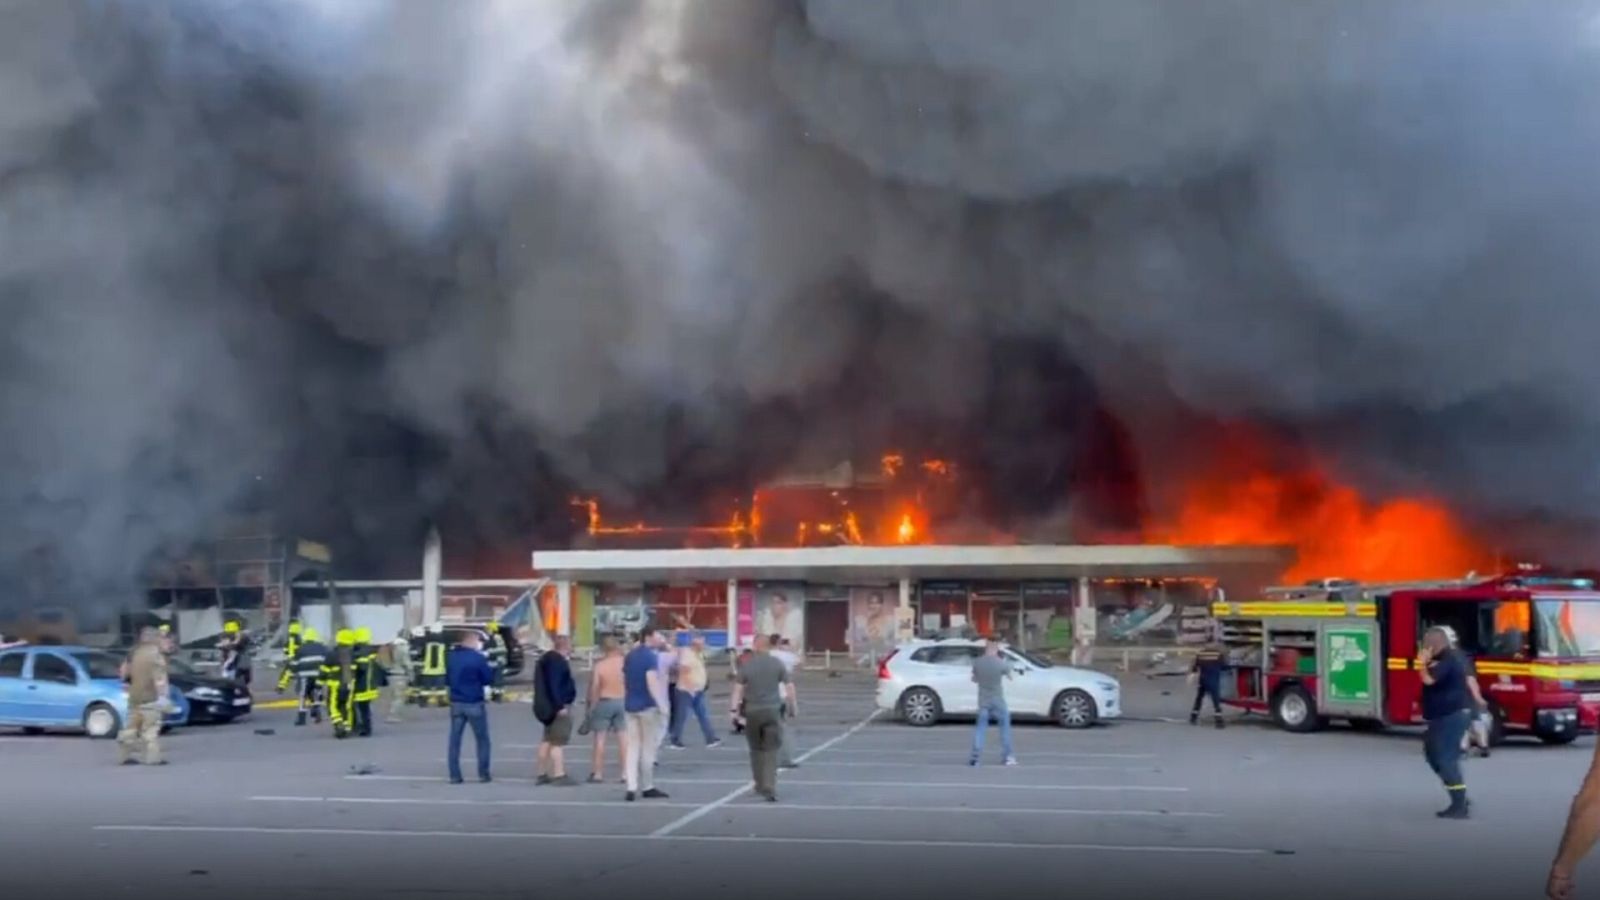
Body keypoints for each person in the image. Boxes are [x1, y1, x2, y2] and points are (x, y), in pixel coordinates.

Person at [730, 633, 796, 802]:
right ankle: (770, 786)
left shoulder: (747, 665)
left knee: (756, 750)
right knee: (771, 750)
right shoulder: (777, 664)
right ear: (768, 646)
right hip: (773, 711)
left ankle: (759, 784)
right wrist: (793, 707)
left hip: (752, 712)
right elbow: (789, 687)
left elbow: (738, 689)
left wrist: (734, 711)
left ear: (755, 646)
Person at [1418, 625, 1472, 819]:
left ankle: (1459, 804)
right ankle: (1458, 795)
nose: (1424, 646)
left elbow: (1428, 681)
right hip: (1441, 715)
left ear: (1435, 643)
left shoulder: (1450, 658)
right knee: (1432, 753)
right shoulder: (1444, 658)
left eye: (1427, 643)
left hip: (1451, 715)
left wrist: (1422, 664)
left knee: (1445, 759)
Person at [622, 627, 670, 801]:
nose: (660, 638)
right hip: (647, 706)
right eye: (657, 635)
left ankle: (631, 786)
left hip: (630, 705)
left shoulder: (630, 656)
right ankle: (648, 785)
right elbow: (652, 682)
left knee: (632, 747)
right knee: (648, 748)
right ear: (648, 637)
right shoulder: (650, 657)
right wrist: (662, 705)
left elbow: (625, 679)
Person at [445, 629, 495, 784]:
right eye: (477, 640)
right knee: (482, 740)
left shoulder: (451, 658)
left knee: (455, 740)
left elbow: (447, 678)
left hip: (456, 702)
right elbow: (487, 678)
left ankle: (454, 775)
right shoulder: (478, 658)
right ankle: (483, 773)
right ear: (470, 641)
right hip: (474, 702)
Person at [117, 627, 171, 766]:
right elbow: (160, 678)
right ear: (155, 638)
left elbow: (123, 673)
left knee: (130, 728)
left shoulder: (133, 652)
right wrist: (163, 697)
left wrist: (128, 684)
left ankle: (124, 756)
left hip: (134, 697)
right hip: (150, 697)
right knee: (150, 729)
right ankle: (152, 758)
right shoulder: (156, 655)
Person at [532, 635, 577, 785]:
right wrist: (560, 706)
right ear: (565, 646)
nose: (572, 647)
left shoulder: (546, 660)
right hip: (557, 707)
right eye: (571, 644)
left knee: (547, 740)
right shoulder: (558, 662)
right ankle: (559, 774)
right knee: (557, 741)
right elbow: (555, 685)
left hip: (546, 707)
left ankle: (541, 772)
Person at [585, 636, 629, 784]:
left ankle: (598, 773)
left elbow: (595, 688)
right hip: (623, 701)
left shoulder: (600, 666)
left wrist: (591, 707)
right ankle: (625, 773)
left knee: (600, 739)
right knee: (623, 739)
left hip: (605, 700)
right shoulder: (625, 663)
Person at [969, 638, 1016, 766]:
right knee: (1004, 728)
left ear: (986, 649)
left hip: (983, 700)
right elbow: (1010, 677)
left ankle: (975, 757)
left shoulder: (977, 663)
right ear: (995, 650)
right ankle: (1008, 756)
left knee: (981, 729)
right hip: (998, 700)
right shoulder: (1000, 663)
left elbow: (974, 679)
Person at [669, 635, 720, 748]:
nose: (704, 646)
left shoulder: (698, 654)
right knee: (682, 716)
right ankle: (675, 739)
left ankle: (710, 738)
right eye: (702, 644)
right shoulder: (687, 654)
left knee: (702, 715)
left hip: (697, 690)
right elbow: (683, 671)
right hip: (686, 690)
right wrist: (689, 686)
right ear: (695, 644)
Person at [771, 636, 801, 768]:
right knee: (782, 728)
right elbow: (799, 662)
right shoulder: (787, 656)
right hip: (781, 695)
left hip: (764, 696)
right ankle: (784, 759)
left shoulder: (764, 656)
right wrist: (793, 704)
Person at [321, 629, 355, 739]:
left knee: (332, 706)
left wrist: (318, 683)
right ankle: (347, 727)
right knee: (346, 706)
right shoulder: (353, 654)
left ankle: (338, 723)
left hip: (335, 684)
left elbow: (324, 670)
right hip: (350, 685)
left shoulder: (332, 653)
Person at [292, 628, 327, 727]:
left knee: (303, 695)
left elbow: (294, 664)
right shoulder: (322, 647)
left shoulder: (300, 649)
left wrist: (294, 673)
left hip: (304, 675)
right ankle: (316, 712)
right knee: (316, 692)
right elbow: (327, 660)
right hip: (318, 674)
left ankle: (301, 718)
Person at [1189, 641, 1227, 729]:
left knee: (1199, 698)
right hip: (1213, 679)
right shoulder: (1218, 654)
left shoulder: (1200, 654)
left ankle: (1193, 717)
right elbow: (1224, 666)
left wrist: (1193, 675)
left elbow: (1195, 666)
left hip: (1203, 679)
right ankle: (1219, 721)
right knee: (1216, 700)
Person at [350, 627, 379, 737]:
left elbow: (360, 669)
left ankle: (361, 728)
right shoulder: (371, 651)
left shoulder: (358, 651)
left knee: (358, 707)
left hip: (361, 685)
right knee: (365, 709)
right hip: (370, 685)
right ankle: (366, 727)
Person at [384, 628, 412, 723]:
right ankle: (393, 715)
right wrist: (411, 673)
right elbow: (406, 662)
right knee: (399, 697)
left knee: (392, 696)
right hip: (399, 674)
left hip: (390, 674)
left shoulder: (391, 646)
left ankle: (390, 713)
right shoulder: (402, 647)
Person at [219, 620, 253, 688]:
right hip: (231, 666)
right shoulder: (227, 636)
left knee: (241, 682)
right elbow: (225, 646)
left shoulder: (242, 636)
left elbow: (237, 643)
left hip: (240, 665)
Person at [484, 623, 508, 702]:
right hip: (490, 662)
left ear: (493, 630)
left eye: (488, 629)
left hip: (498, 662)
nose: (487, 630)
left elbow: (503, 650)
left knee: (498, 681)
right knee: (491, 680)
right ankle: (492, 695)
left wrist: (490, 652)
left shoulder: (498, 638)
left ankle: (498, 696)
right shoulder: (487, 638)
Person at [277, 620, 302, 693]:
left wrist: (289, 656)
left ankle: (281, 688)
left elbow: (288, 648)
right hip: (298, 658)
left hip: (293, 659)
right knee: (298, 674)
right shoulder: (298, 637)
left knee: (286, 674)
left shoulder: (291, 637)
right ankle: (299, 688)